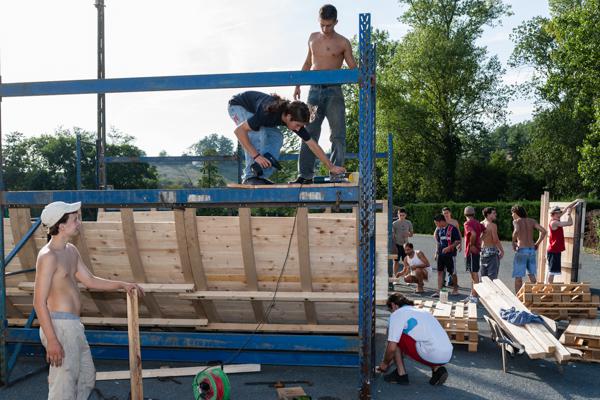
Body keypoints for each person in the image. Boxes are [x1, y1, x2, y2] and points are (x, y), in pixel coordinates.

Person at [33, 201, 145, 400]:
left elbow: (90, 281)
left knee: (86, 377)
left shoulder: (71, 251)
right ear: (61, 225)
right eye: (75, 219)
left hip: (73, 326)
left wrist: (122, 284)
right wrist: (52, 340)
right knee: (63, 387)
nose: (79, 223)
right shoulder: (48, 256)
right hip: (59, 326)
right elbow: (38, 302)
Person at [290, 4, 357, 184]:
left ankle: (337, 173)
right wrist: (298, 84)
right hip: (314, 91)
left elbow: (353, 68)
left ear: (336, 22)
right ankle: (304, 175)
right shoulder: (313, 38)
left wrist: (365, 77)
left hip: (334, 91)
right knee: (308, 131)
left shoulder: (343, 42)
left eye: (329, 25)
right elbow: (307, 62)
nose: (325, 29)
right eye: (322, 25)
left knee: (338, 133)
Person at [228, 91, 345, 184]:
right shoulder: (267, 113)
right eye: (298, 125)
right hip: (238, 105)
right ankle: (249, 177)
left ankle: (259, 176)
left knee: (276, 136)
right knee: (257, 132)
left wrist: (331, 166)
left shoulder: (292, 115)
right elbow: (239, 131)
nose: (298, 129)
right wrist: (257, 156)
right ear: (288, 117)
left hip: (254, 112)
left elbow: (312, 144)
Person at [378, 293, 452, 386]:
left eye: (391, 310)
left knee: (395, 338)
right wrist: (391, 360)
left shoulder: (397, 314)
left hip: (431, 353)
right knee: (422, 340)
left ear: (393, 305)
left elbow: (392, 347)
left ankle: (401, 375)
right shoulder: (423, 311)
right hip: (447, 353)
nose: (392, 312)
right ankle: (437, 369)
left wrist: (385, 364)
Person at [511, 205, 547, 292]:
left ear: (515, 213)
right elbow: (544, 231)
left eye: (512, 213)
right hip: (531, 250)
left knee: (518, 277)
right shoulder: (532, 221)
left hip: (522, 250)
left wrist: (513, 242)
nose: (512, 215)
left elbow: (516, 231)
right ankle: (535, 296)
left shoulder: (516, 221)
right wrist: (537, 243)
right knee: (531, 275)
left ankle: (518, 299)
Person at [546, 200, 579, 283]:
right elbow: (570, 223)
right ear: (552, 214)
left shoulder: (556, 219)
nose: (559, 214)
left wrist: (575, 201)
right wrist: (568, 213)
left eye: (559, 213)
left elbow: (567, 207)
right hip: (553, 250)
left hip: (555, 249)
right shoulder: (554, 222)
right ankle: (549, 289)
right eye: (557, 213)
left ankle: (549, 288)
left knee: (552, 271)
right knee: (552, 272)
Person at [433, 214, 461, 297]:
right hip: (441, 255)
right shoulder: (439, 230)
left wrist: (450, 247)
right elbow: (438, 243)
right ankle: (439, 291)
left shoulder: (453, 228)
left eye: (436, 223)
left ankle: (455, 289)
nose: (436, 225)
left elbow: (458, 241)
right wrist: (436, 253)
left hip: (450, 255)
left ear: (441, 221)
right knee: (440, 272)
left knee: (452, 272)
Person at [463, 206, 485, 303]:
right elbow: (485, 231)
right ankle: (473, 294)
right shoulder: (478, 223)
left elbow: (473, 233)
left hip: (471, 251)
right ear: (474, 214)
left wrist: (472, 244)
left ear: (465, 214)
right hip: (475, 251)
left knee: (474, 273)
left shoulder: (467, 223)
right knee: (473, 272)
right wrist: (479, 242)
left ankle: (475, 296)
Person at [480, 207, 504, 280]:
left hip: (483, 251)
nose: (495, 214)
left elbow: (479, 239)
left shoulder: (480, 224)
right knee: (492, 277)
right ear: (488, 214)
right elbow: (495, 240)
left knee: (484, 276)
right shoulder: (492, 225)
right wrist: (501, 250)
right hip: (492, 252)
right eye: (493, 213)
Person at [442, 207, 462, 287]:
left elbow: (459, 233)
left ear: (450, 213)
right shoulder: (442, 222)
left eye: (447, 213)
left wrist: (461, 243)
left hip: (452, 246)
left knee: (452, 264)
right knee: (443, 265)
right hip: (443, 246)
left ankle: (451, 281)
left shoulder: (454, 222)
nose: (446, 215)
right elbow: (435, 234)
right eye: (444, 213)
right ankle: (443, 282)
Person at [392, 208, 414, 277]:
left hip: (406, 246)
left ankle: (407, 277)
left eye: (403, 215)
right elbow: (392, 236)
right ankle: (396, 277)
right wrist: (394, 245)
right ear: (398, 215)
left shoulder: (408, 222)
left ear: (405, 215)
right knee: (396, 262)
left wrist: (408, 234)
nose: (401, 217)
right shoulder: (394, 223)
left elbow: (412, 234)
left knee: (406, 262)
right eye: (400, 215)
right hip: (397, 245)